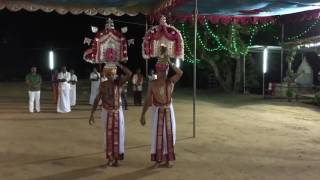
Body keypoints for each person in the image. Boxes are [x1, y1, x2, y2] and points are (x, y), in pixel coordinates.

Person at [140, 45, 183, 168]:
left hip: (169, 110)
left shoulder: (170, 82)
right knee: (157, 135)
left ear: (167, 70)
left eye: (165, 70)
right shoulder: (152, 84)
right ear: (157, 70)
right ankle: (158, 159)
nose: (163, 72)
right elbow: (148, 100)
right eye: (161, 70)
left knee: (169, 135)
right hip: (157, 111)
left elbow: (180, 72)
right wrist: (142, 115)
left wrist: (169, 61)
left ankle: (168, 159)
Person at [89, 62, 132, 167]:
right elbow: (97, 99)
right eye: (109, 74)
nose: (111, 76)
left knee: (118, 135)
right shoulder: (103, 85)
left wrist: (119, 64)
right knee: (107, 135)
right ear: (106, 75)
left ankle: (116, 158)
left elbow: (129, 73)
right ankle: (110, 158)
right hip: (106, 112)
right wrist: (92, 113)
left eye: (113, 74)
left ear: (115, 74)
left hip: (118, 112)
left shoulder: (119, 83)